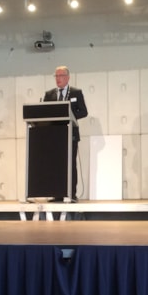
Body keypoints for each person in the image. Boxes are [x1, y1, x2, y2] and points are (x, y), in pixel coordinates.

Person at [42, 65, 89, 201]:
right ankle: (57, 194)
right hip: (55, 135)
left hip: (70, 134)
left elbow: (83, 111)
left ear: (68, 78)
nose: (58, 78)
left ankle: (71, 194)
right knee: (56, 165)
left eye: (61, 76)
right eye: (56, 76)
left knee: (70, 165)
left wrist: (69, 116)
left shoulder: (76, 93)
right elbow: (45, 112)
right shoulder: (49, 94)